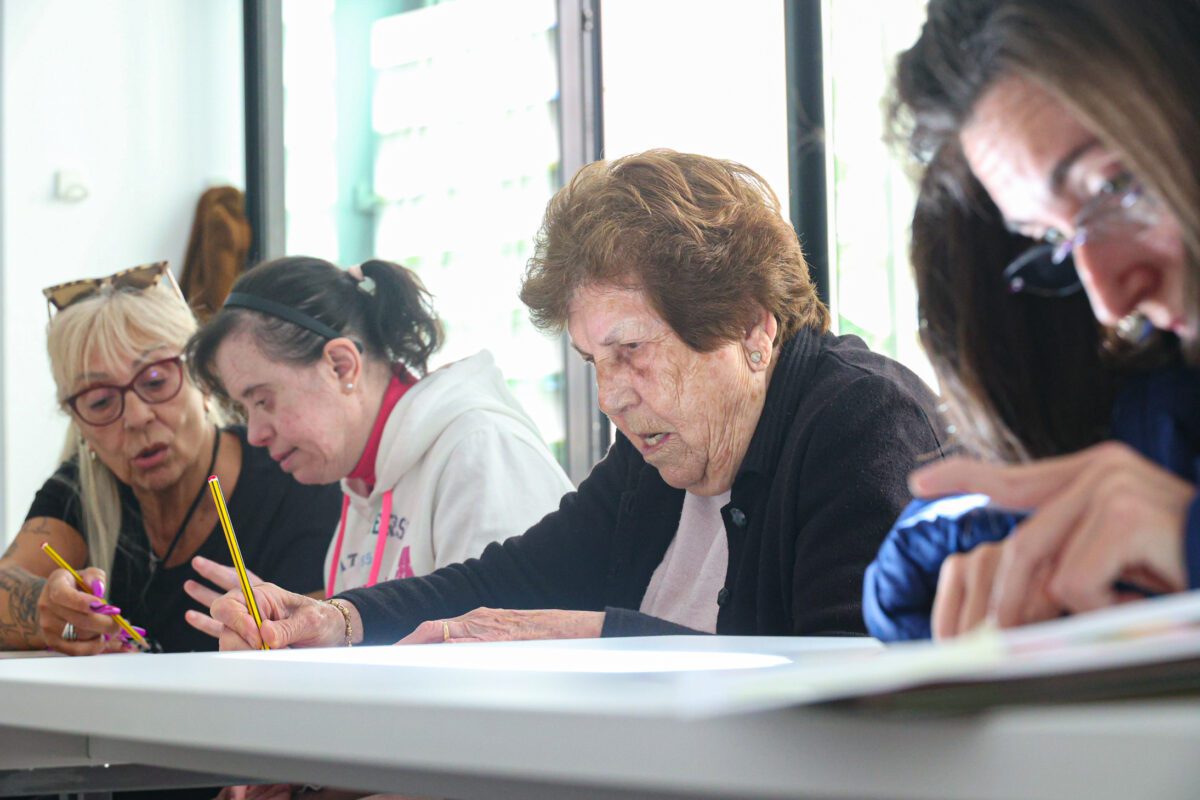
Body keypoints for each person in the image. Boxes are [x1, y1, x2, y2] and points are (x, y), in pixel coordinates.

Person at [205, 149, 945, 652]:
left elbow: (853, 695)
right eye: (593, 361)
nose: (611, 397)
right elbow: (513, 579)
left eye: (632, 352)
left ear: (750, 326)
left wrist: (594, 641)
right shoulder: (654, 457)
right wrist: (337, 618)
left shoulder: (863, 426)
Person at [862, 0, 1200, 640]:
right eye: (1053, 239)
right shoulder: (1167, 400)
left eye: (1116, 185)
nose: (1110, 303)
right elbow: (913, 571)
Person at [180, 255, 575, 638]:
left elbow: (504, 660)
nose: (254, 435)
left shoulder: (481, 451)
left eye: (263, 400)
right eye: (245, 409)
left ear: (341, 366)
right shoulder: (363, 480)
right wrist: (290, 629)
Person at [0, 261, 339, 655]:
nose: (137, 417)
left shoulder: (292, 475)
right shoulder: (82, 489)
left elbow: (326, 643)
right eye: (100, 401)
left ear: (205, 380)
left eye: (157, 381)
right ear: (79, 422)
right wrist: (48, 609)